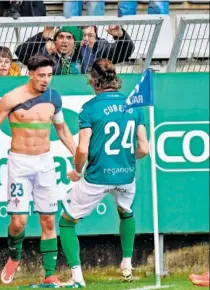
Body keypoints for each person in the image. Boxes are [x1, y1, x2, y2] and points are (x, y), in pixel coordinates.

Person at [0, 54, 76, 285]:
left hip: (45, 163)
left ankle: (50, 274)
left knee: (49, 221)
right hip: (19, 163)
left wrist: (77, 155)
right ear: (30, 73)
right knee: (18, 222)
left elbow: (62, 130)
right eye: (41, 75)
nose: (46, 80)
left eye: (49, 75)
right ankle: (14, 257)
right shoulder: (12, 98)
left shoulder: (54, 97)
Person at [59, 59, 149, 286]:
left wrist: (77, 171)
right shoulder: (133, 106)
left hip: (98, 177)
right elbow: (144, 149)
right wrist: (127, 158)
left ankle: (77, 277)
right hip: (126, 176)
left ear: (94, 80)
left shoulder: (89, 108)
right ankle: (127, 263)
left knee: (67, 222)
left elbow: (82, 149)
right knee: (126, 212)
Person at [15, 26, 83, 75]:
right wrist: (42, 37)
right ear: (55, 41)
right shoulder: (45, 55)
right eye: (61, 37)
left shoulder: (82, 56)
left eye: (69, 37)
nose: (64, 41)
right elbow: (20, 52)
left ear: (75, 43)